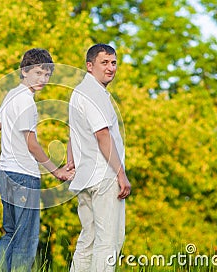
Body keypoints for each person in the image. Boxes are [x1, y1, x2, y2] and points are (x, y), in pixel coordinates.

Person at [0, 48, 74, 272]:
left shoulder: (11, 94)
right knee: (25, 238)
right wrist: (57, 172)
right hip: (24, 175)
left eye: (47, 75)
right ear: (24, 71)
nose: (43, 79)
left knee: (10, 231)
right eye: (38, 73)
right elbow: (31, 144)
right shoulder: (26, 101)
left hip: (5, 173)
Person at [67, 43, 131, 271]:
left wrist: (71, 162)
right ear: (90, 65)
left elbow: (72, 132)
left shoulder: (78, 92)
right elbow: (102, 135)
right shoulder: (94, 93)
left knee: (88, 240)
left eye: (114, 63)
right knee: (109, 241)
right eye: (104, 62)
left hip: (85, 177)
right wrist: (121, 174)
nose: (111, 68)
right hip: (104, 176)